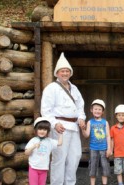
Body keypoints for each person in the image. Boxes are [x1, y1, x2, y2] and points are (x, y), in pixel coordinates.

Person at [41, 52, 86, 185]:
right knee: (59, 158)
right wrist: (54, 124)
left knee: (75, 156)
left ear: (70, 73)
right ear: (57, 73)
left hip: (74, 127)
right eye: (62, 71)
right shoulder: (51, 88)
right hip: (60, 127)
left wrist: (81, 118)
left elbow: (80, 107)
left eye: (67, 71)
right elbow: (46, 110)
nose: (65, 73)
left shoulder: (75, 89)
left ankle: (70, 183)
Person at [81, 99, 111, 185]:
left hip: (104, 148)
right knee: (93, 167)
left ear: (102, 111)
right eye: (95, 109)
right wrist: (83, 129)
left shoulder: (105, 122)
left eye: (99, 109)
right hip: (93, 149)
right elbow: (86, 135)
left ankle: (104, 183)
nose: (97, 111)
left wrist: (109, 148)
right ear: (91, 110)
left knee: (105, 167)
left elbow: (108, 136)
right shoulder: (90, 122)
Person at [25, 117, 63, 185]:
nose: (42, 131)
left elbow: (59, 143)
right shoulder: (33, 140)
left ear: (48, 131)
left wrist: (60, 133)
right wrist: (33, 147)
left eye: (45, 129)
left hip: (44, 169)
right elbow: (26, 153)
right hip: (34, 168)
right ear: (36, 130)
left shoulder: (49, 141)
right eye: (40, 129)